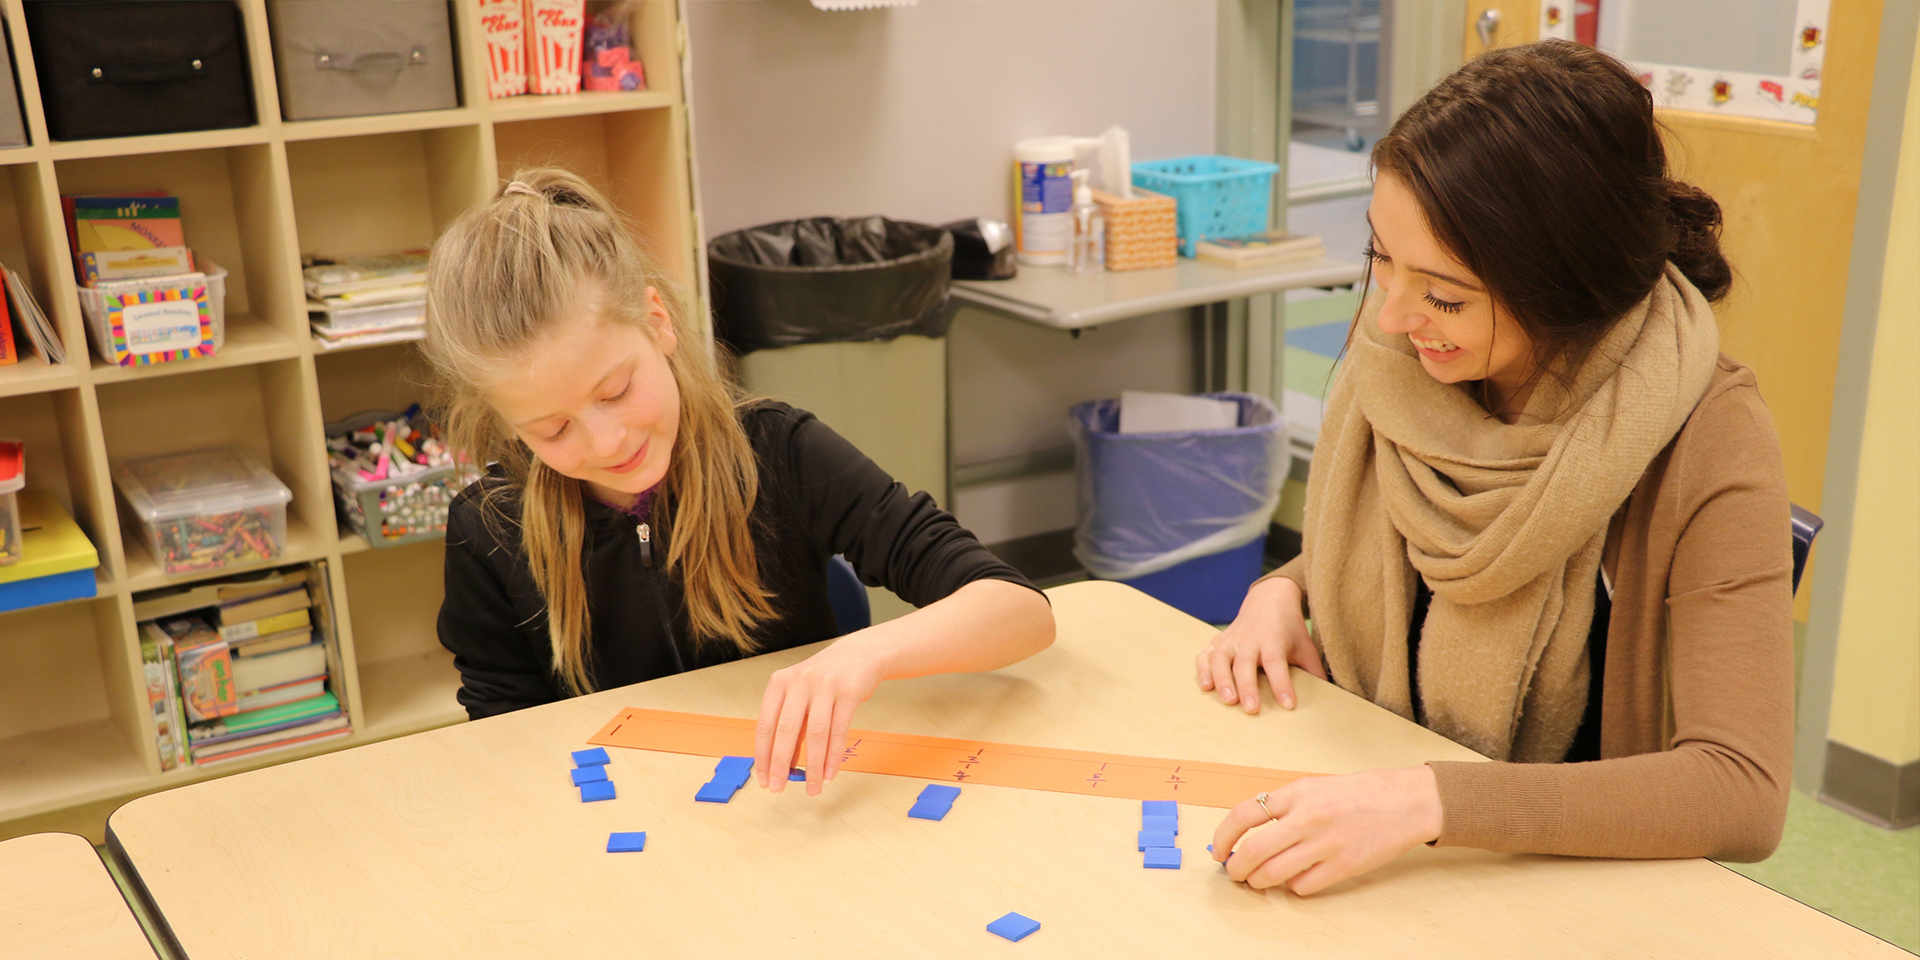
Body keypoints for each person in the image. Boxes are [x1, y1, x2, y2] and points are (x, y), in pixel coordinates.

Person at [1197, 40, 1793, 894]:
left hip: (1560, 888)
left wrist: (1427, 804)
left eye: (1444, 294)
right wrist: (1283, 587)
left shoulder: (1711, 435)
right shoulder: (1411, 367)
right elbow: (1398, 537)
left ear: (1563, 287)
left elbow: (1740, 788)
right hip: (1393, 850)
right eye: (1380, 259)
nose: (1395, 317)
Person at [423, 168, 1054, 795]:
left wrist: (866, 653)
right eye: (552, 430)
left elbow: (1020, 611)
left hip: (797, 812)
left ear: (657, 321)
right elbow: (503, 744)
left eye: (615, 391)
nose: (606, 442)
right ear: (506, 424)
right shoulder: (488, 529)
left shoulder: (779, 452)